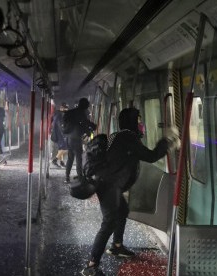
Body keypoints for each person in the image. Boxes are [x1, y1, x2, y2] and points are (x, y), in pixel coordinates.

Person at [80, 107, 171, 276]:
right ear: (131, 122)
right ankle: (91, 265)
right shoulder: (128, 137)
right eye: (138, 120)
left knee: (122, 210)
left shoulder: (118, 135)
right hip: (108, 186)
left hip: (106, 182)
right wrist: (167, 141)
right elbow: (151, 156)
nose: (141, 124)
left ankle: (117, 246)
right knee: (109, 223)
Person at [63, 98, 96, 183]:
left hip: (69, 138)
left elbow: (82, 123)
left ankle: (67, 177)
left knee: (70, 158)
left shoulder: (72, 112)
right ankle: (80, 178)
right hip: (76, 139)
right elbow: (85, 123)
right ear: (84, 105)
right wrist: (91, 128)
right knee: (78, 158)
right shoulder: (81, 113)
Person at [51, 103, 69, 167]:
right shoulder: (59, 115)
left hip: (57, 133)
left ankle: (62, 162)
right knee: (65, 148)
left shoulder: (57, 114)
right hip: (60, 134)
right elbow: (61, 126)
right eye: (66, 108)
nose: (67, 109)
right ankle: (55, 160)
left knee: (61, 148)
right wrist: (64, 133)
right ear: (62, 108)